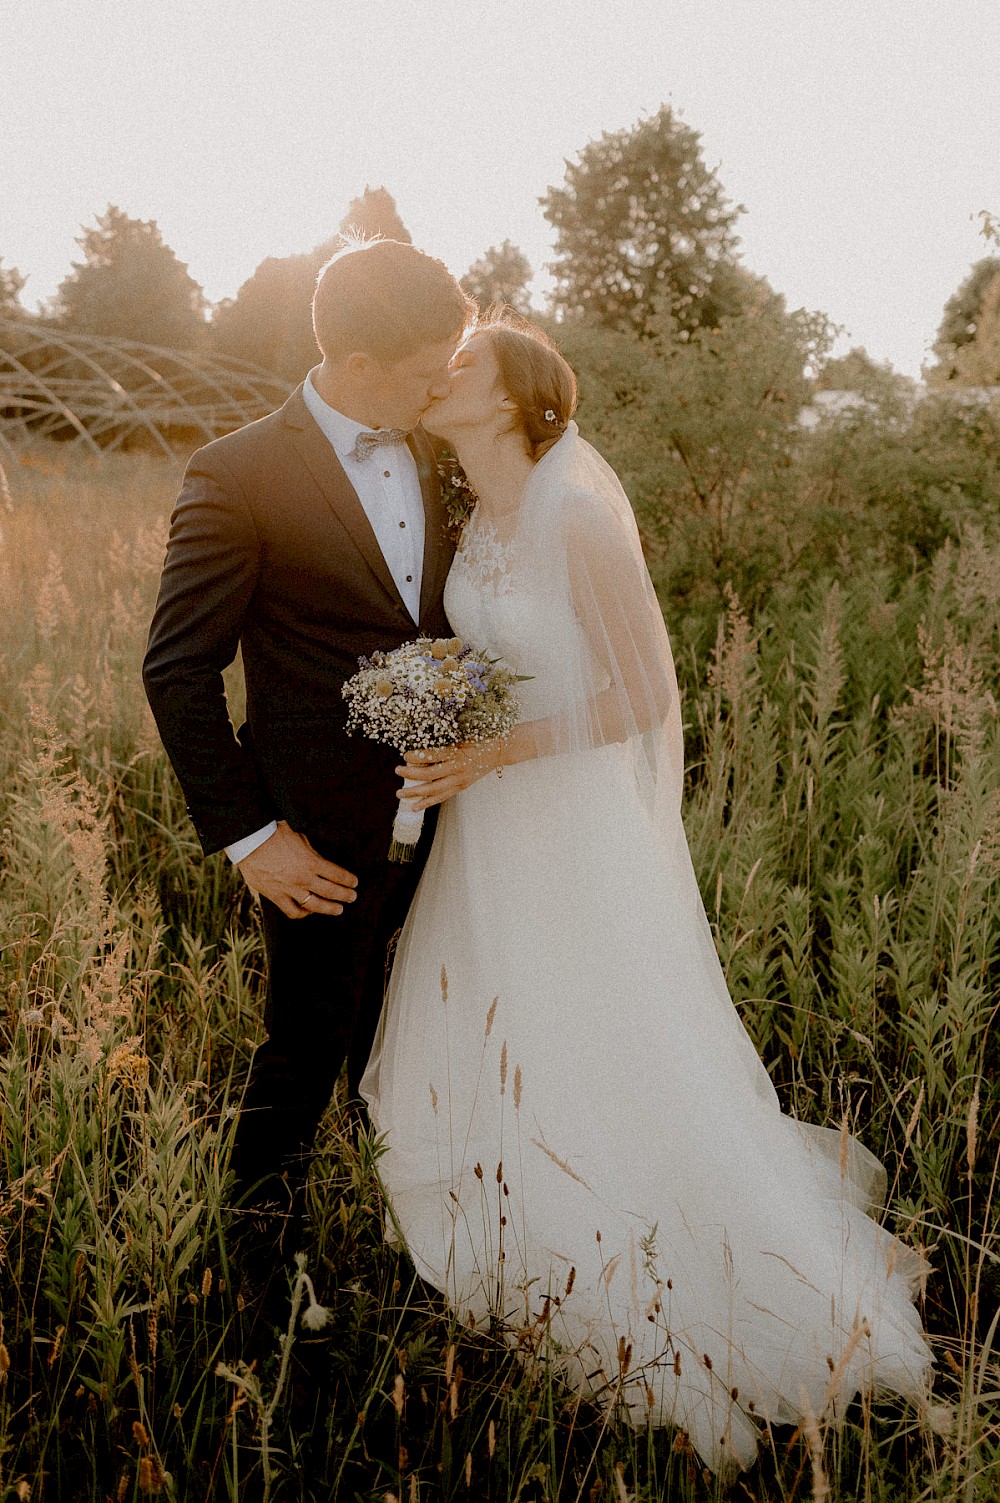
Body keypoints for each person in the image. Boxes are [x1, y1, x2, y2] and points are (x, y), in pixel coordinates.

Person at [359, 312, 933, 1474]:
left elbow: (639, 698)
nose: (441, 368)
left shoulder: (573, 511)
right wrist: (440, 716)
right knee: (502, 1011)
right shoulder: (474, 512)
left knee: (591, 1020)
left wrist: (491, 754)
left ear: (523, 400)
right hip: (490, 825)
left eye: (462, 362)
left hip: (562, 821)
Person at [143, 238, 473, 1247]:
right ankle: (260, 1261)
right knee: (311, 1036)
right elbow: (178, 668)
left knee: (417, 1024)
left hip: (457, 804)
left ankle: (421, 1236)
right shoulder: (236, 472)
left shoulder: (439, 450)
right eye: (426, 372)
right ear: (360, 363)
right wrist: (252, 838)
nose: (440, 388)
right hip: (315, 827)